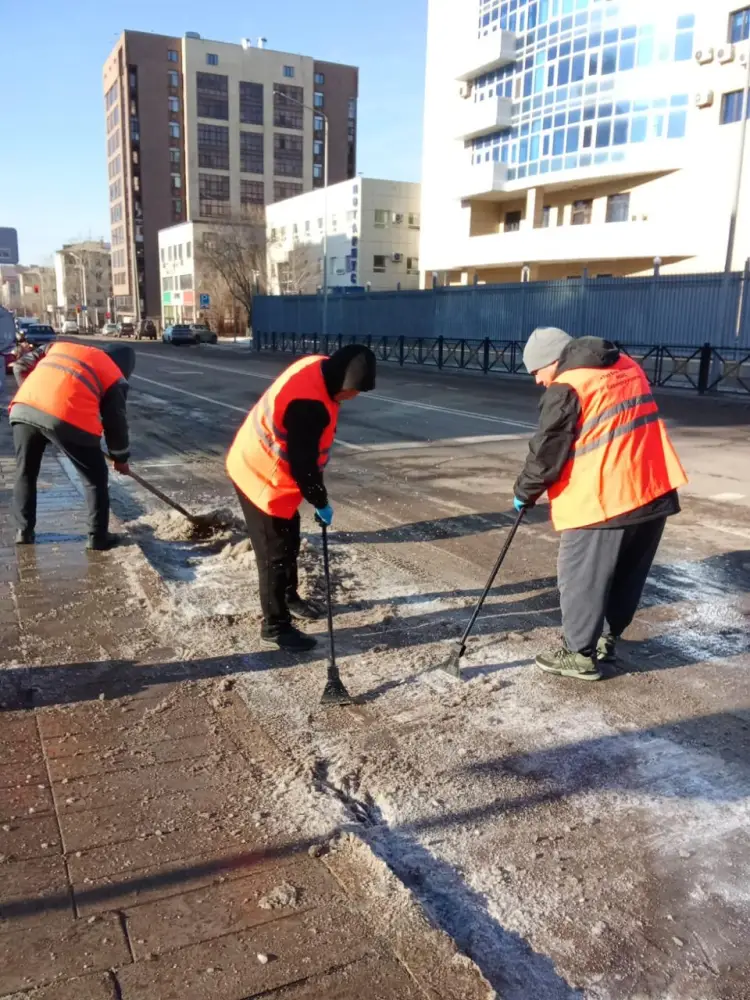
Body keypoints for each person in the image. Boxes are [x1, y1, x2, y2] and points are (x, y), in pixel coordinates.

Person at [513, 327, 687, 681]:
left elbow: (547, 450)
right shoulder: (626, 366)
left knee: (581, 577)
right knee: (624, 575)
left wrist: (525, 491)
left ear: (553, 360)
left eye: (537, 372)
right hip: (652, 489)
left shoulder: (569, 385)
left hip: (603, 499)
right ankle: (606, 640)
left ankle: (578, 654)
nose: (537, 381)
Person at [227, 344, 376, 651]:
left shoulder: (319, 367)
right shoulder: (309, 405)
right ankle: (275, 627)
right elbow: (303, 467)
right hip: (261, 477)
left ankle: (288, 597)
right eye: (353, 391)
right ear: (341, 381)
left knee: (289, 539)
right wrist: (320, 501)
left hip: (266, 467)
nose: (354, 397)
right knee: (274, 555)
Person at [10, 340, 135, 551]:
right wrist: (120, 458)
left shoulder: (56, 346)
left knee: (25, 472)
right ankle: (98, 537)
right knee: (95, 478)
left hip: (24, 408)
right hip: (67, 416)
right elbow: (115, 422)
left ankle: (23, 531)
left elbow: (20, 365)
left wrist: (38, 400)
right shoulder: (114, 375)